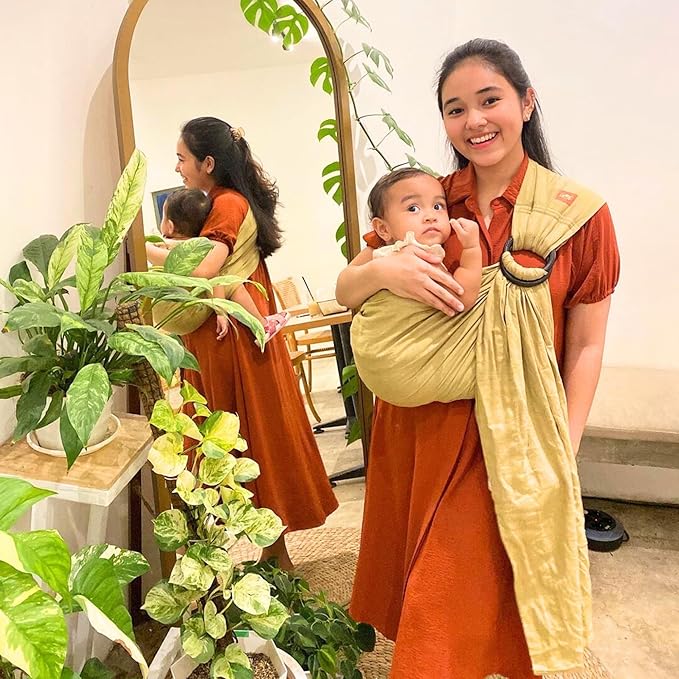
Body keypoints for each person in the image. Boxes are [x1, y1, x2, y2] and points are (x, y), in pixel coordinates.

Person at [336, 39, 620, 678]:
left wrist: (565, 444)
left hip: (515, 433)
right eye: (455, 108)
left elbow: (586, 344)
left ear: (527, 102)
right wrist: (384, 274)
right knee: (439, 613)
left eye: (489, 100)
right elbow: (348, 287)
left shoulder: (578, 216)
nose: (474, 121)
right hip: (424, 427)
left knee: (486, 602)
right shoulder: (426, 202)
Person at [146, 117, 339, 569]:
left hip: (231, 339)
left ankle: (275, 555)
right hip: (231, 332)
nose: (177, 167)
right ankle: (274, 554)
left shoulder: (227, 204)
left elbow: (203, 269)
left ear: (208, 163)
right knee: (251, 435)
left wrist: (142, 249)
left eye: (182, 158)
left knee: (246, 436)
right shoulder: (223, 201)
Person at [158, 187, 289, 346]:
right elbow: (214, 276)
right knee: (230, 282)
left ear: (170, 226)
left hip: (164, 315)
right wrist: (221, 312)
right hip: (182, 315)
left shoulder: (162, 245)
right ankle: (261, 324)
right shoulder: (196, 249)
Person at [355, 167, 481, 303]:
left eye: (437, 206)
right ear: (383, 229)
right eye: (413, 208)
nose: (431, 216)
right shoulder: (424, 257)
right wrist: (471, 249)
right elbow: (461, 299)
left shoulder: (428, 255)